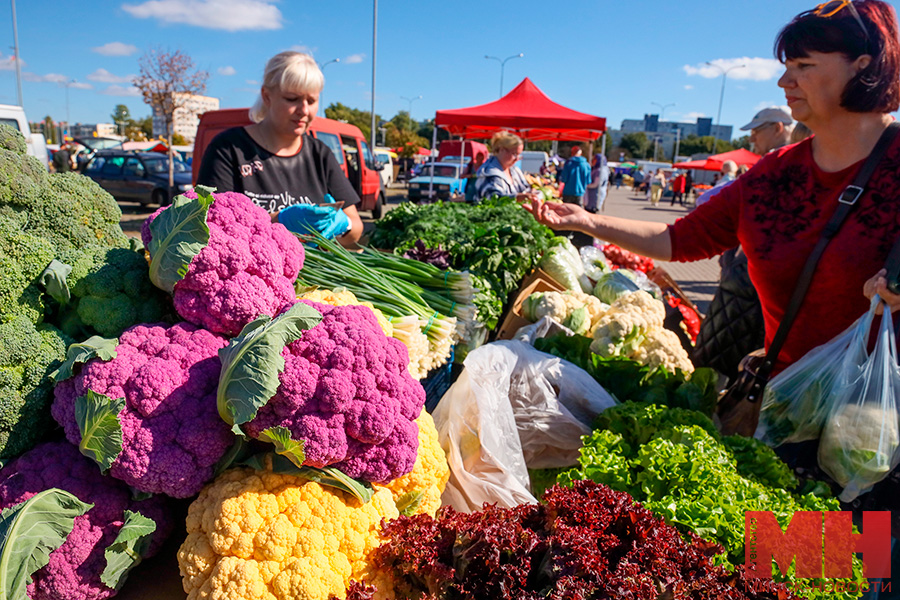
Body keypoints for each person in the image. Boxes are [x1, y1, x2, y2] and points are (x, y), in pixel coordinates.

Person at [527, 0, 900, 558]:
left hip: (883, 435)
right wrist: (587, 221)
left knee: (864, 570)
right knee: (788, 567)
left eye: (802, 65)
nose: (784, 80)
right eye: (786, 65)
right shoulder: (772, 177)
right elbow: (681, 241)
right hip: (789, 421)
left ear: (862, 65)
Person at [197, 51, 363, 247]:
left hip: (314, 276)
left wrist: (344, 225)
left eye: (311, 101)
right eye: (292, 99)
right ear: (267, 96)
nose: (304, 110)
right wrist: (279, 221)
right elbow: (211, 228)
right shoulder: (228, 149)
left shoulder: (320, 154)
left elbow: (357, 229)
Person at [473, 130, 533, 203]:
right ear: (502, 150)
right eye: (514, 154)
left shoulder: (515, 170)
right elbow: (492, 199)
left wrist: (532, 192)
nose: (517, 159)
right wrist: (516, 198)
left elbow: (526, 188)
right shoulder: (489, 172)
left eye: (519, 155)